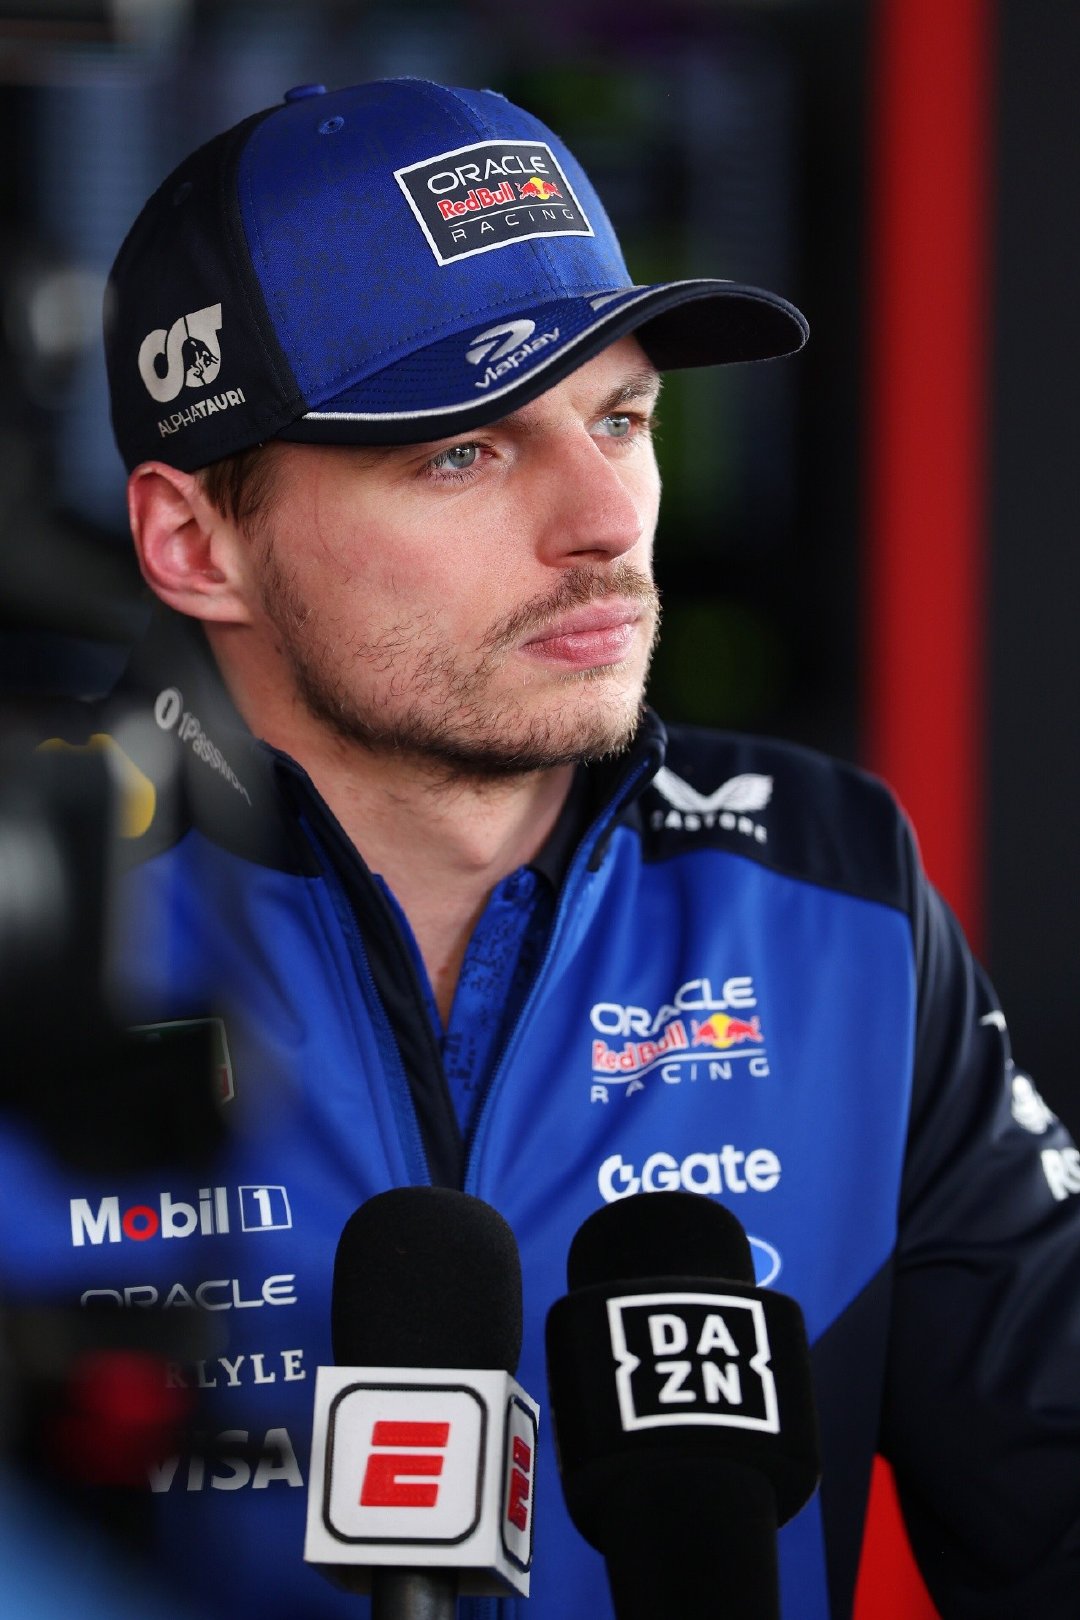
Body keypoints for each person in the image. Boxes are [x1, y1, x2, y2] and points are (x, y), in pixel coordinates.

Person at [2, 76, 1078, 1620]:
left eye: (620, 419)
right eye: (464, 450)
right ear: (196, 540)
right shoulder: (37, 926)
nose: (604, 520)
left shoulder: (828, 893)